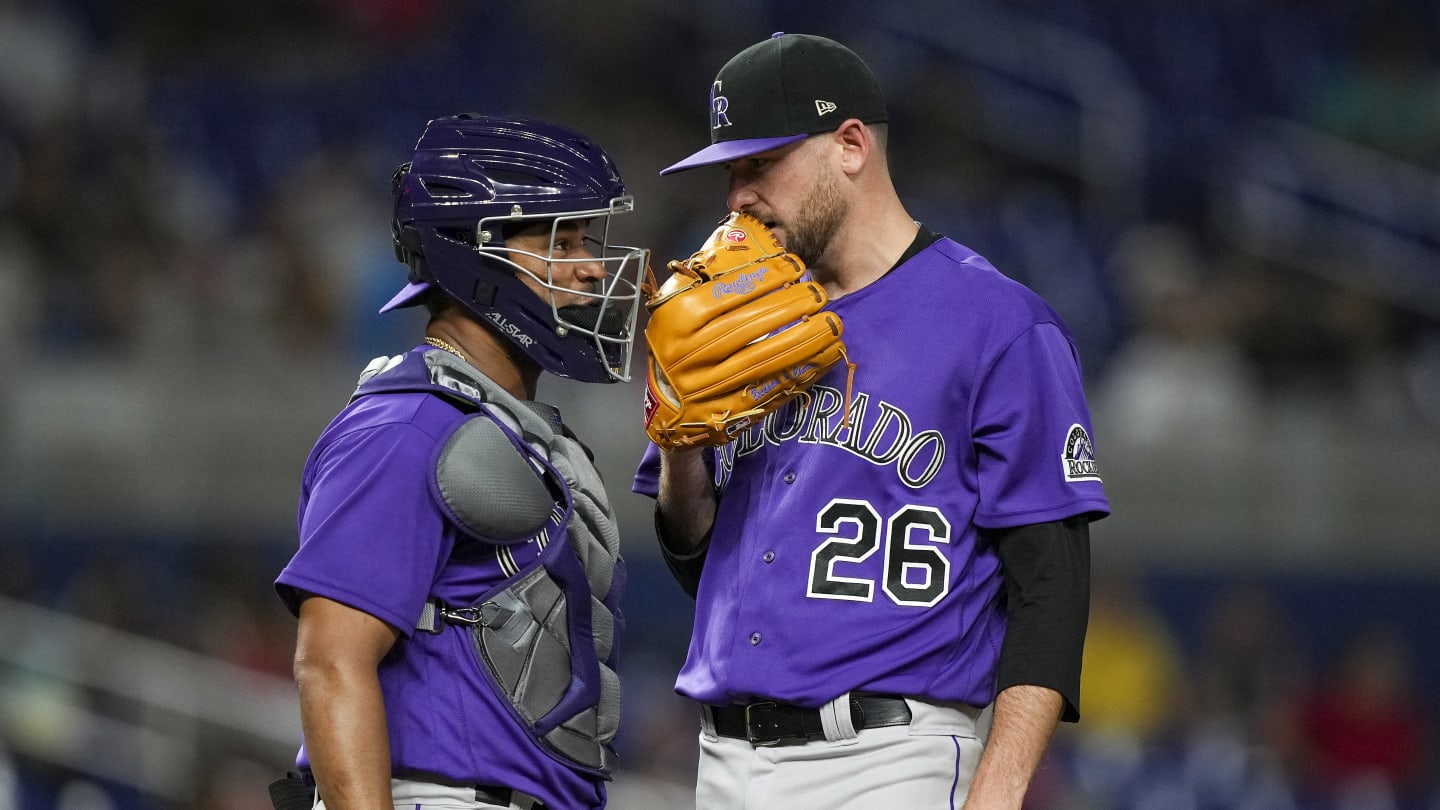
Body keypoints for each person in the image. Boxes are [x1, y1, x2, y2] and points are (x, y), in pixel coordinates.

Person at [633, 33, 1110, 809]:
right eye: (730, 172)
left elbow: (1051, 589)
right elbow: (699, 560)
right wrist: (679, 444)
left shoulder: (998, 322)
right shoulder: (734, 320)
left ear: (850, 145)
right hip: (723, 758)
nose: (736, 197)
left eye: (759, 165)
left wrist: (1001, 784)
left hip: (891, 756)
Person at [273, 113, 649, 810]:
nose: (594, 267)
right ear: (476, 256)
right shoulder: (405, 425)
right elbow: (330, 662)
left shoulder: (511, 427)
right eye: (561, 240)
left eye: (587, 240)